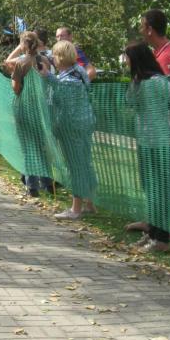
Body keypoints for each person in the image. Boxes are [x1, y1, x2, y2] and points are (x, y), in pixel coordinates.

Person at [123, 43, 170, 252]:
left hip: (159, 142)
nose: (126, 63)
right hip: (148, 141)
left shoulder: (155, 82)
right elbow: (130, 102)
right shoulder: (142, 82)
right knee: (152, 189)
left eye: (128, 59)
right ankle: (152, 232)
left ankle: (161, 238)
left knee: (159, 190)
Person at [50, 40, 97, 219]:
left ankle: (75, 209)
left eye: (55, 55)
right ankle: (90, 203)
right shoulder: (79, 71)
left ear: (60, 57)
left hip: (73, 127)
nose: (52, 58)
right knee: (85, 162)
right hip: (85, 123)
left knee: (75, 165)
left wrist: (56, 126)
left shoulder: (68, 81)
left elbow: (65, 108)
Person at [11, 31, 53, 197]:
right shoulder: (45, 61)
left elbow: (16, 88)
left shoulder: (21, 63)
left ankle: (32, 186)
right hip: (42, 107)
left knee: (28, 146)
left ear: (23, 44)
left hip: (25, 107)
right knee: (42, 146)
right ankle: (48, 184)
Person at [140, 9, 170, 75]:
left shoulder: (165, 58)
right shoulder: (159, 53)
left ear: (149, 30)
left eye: (142, 27)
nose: (140, 31)